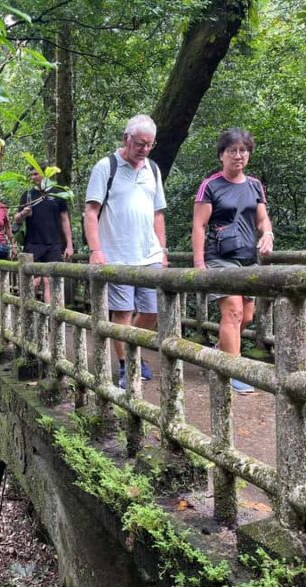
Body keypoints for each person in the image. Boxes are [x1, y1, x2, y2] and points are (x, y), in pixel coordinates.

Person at [84, 114, 168, 390]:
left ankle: (132, 350)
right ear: (126, 139)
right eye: (140, 143)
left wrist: (163, 249)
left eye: (150, 144)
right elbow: (91, 211)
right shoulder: (105, 167)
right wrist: (96, 250)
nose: (144, 149)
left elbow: (158, 214)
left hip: (150, 254)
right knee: (122, 313)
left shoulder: (152, 170)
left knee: (153, 311)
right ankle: (125, 365)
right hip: (117, 254)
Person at [191, 127, 274, 394]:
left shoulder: (254, 185)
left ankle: (220, 351)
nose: (238, 156)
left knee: (247, 316)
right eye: (232, 151)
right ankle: (234, 370)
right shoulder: (211, 185)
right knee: (233, 311)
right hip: (220, 258)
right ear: (221, 155)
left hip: (248, 258)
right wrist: (199, 263)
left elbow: (261, 219)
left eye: (243, 150)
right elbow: (199, 226)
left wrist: (268, 234)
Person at [14, 166, 74, 302]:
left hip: (53, 244)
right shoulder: (28, 195)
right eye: (31, 175)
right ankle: (28, 317)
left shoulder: (58, 193)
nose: (33, 177)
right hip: (33, 243)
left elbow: (65, 219)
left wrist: (69, 244)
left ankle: (50, 319)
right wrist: (24, 213)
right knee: (33, 282)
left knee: (50, 281)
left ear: (44, 174)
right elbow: (16, 218)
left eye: (36, 174)